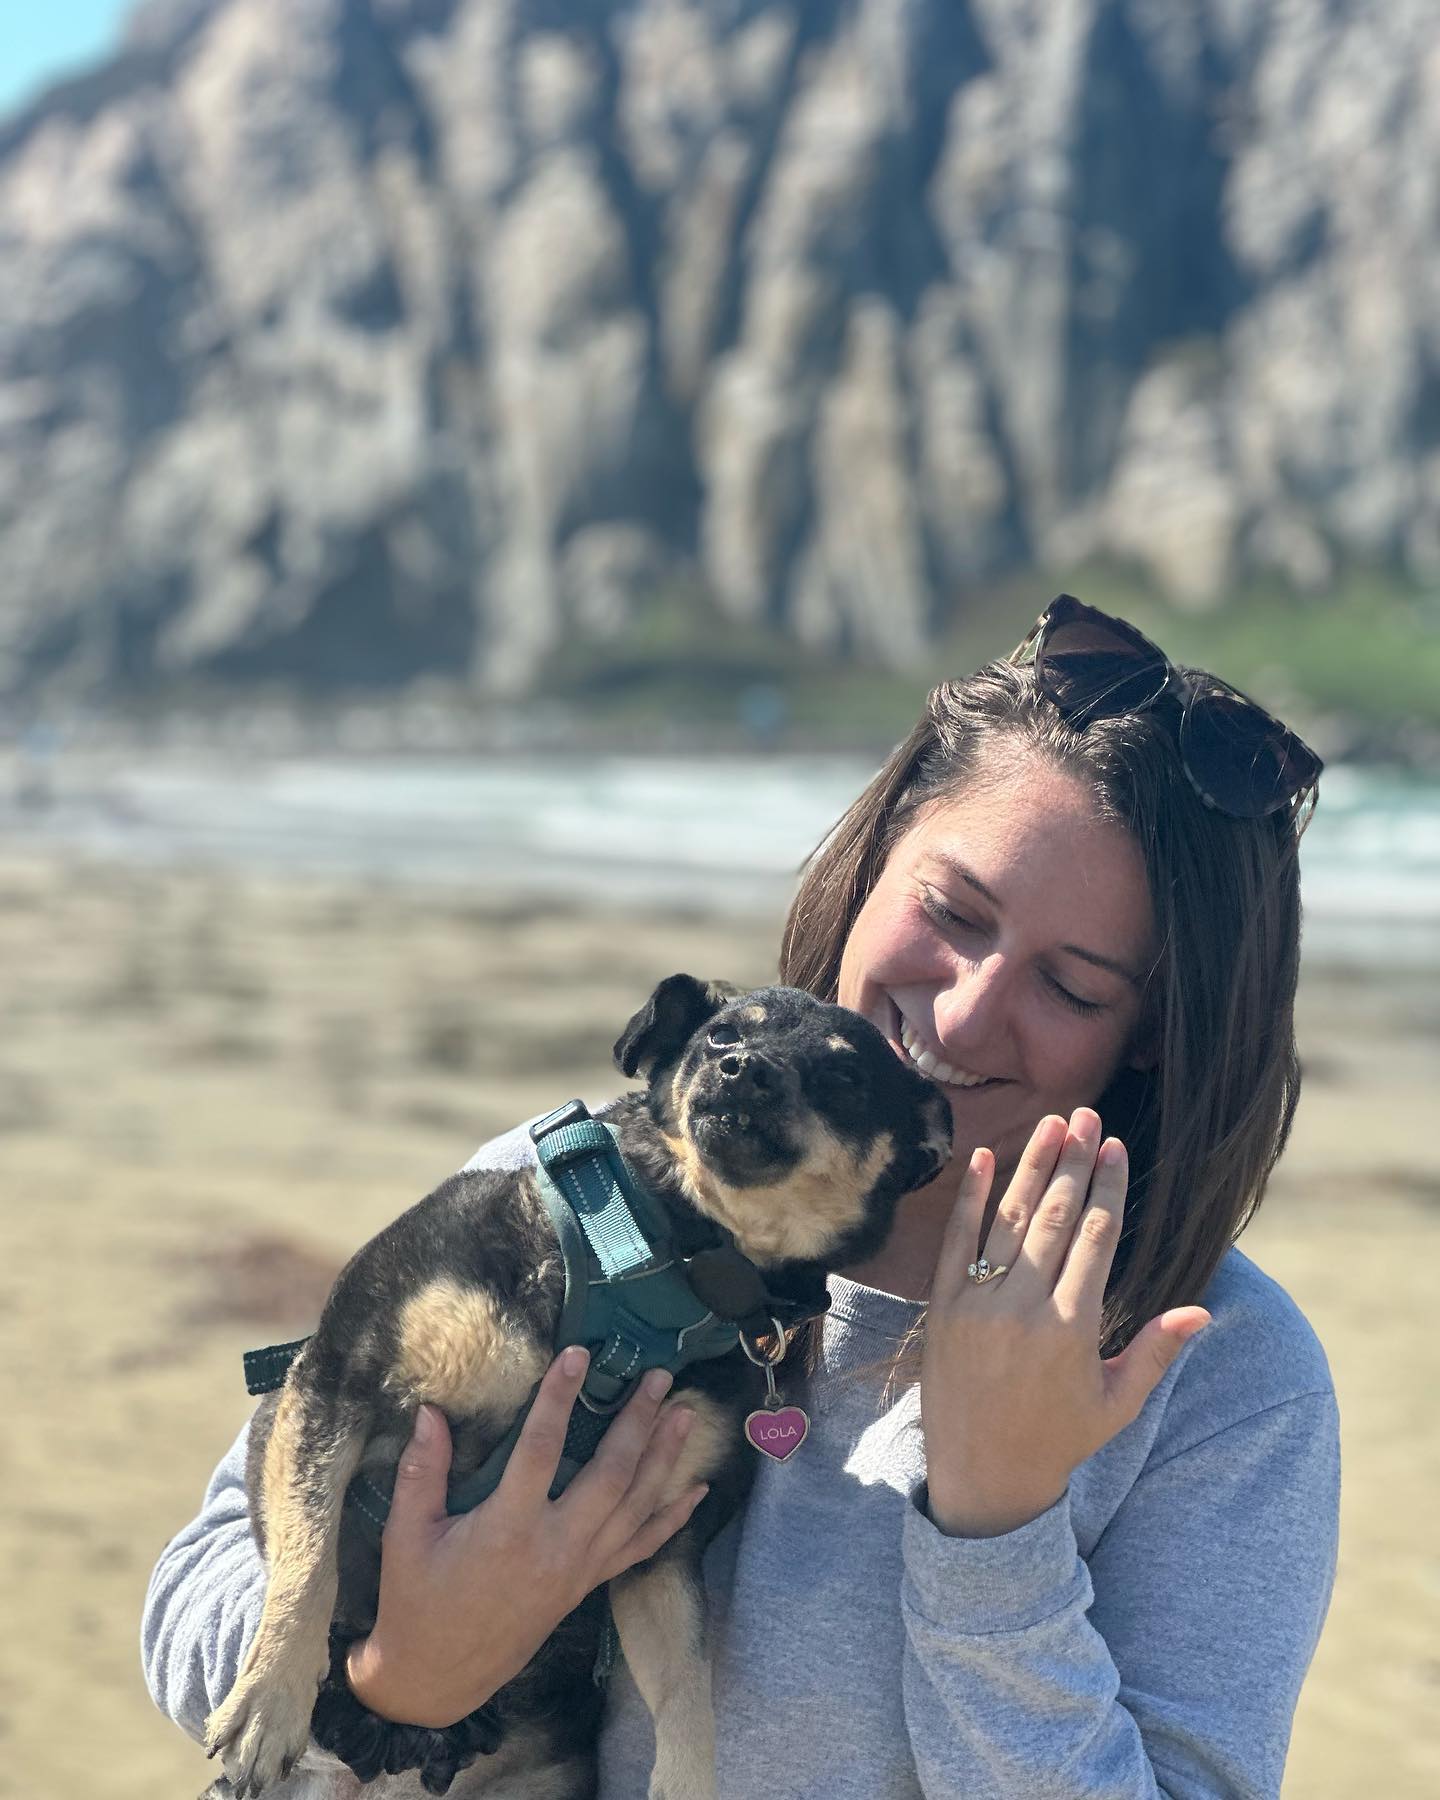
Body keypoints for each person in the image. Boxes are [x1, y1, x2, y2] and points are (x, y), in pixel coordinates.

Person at [143, 596, 1339, 1798]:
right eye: (952, 912)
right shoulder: (567, 1200)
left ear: (1152, 1040)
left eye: (1073, 989)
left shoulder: (1217, 1379)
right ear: (873, 860)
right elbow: (192, 1601)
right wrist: (401, 1679)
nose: (964, 1012)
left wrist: (999, 1532)